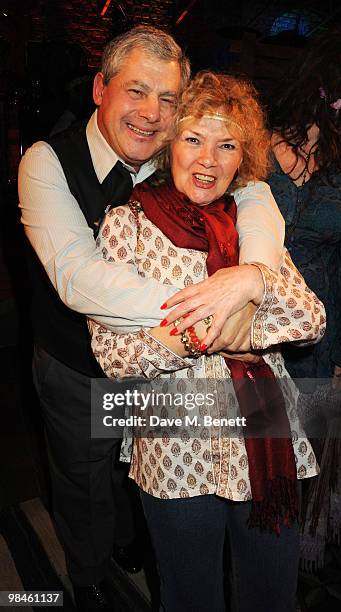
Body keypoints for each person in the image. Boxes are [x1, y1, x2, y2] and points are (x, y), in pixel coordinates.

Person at [19, 25, 284, 609]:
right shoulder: (46, 161)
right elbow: (77, 278)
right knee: (86, 483)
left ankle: (136, 547)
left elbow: (256, 193)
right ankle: (88, 579)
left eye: (168, 99)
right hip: (79, 366)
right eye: (136, 91)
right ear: (99, 88)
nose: (151, 113)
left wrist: (255, 274)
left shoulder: (182, 146)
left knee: (148, 473)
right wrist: (215, 301)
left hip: (168, 367)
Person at [89, 71, 326, 612]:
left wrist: (250, 280)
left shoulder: (252, 224)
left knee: (271, 597)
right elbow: (115, 356)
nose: (208, 160)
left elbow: (310, 317)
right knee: (189, 598)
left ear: (242, 156)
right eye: (193, 139)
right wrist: (220, 332)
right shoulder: (127, 227)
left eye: (226, 145)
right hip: (176, 445)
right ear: (169, 141)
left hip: (265, 436)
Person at [267, 30, 341, 573]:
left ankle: (289, 573)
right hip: (253, 335)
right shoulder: (258, 146)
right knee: (257, 459)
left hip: (316, 341)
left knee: (307, 462)